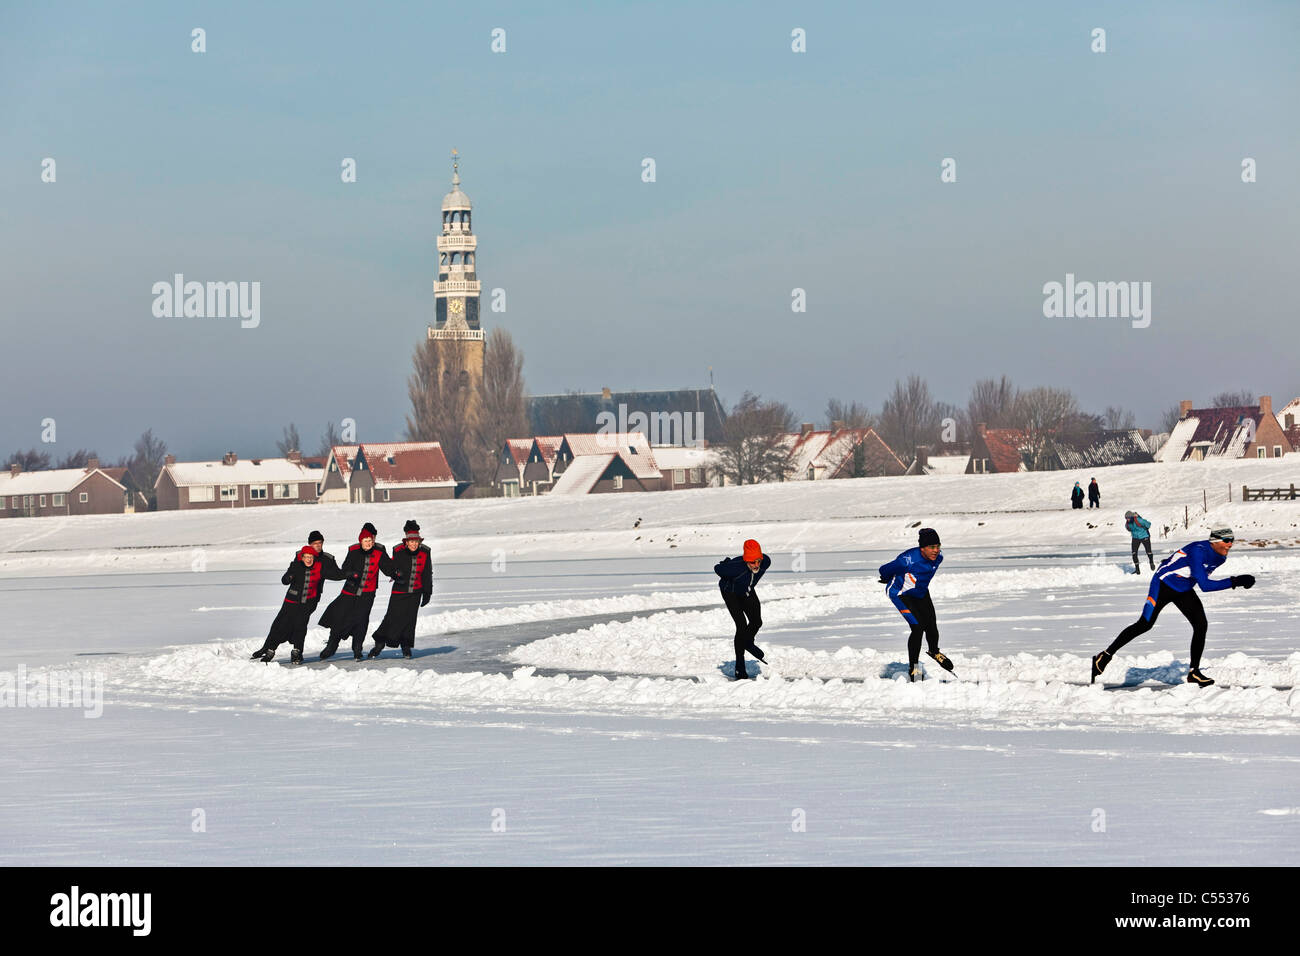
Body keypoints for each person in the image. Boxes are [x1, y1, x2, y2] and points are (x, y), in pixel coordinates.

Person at [1091, 527, 1254, 687]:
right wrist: (1235, 581)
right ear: (1214, 541)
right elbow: (1204, 585)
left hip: (1183, 588)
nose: (1230, 544)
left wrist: (1235, 582)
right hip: (1163, 583)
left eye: (1232, 540)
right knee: (1144, 624)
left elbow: (1198, 577)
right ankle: (1105, 656)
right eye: (1226, 541)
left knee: (1201, 625)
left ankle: (1194, 672)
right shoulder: (1199, 550)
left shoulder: (1221, 557)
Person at [879, 527, 954, 682]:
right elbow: (884, 569)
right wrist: (886, 577)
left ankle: (934, 652)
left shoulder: (938, 558)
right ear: (922, 548)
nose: (936, 551)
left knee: (931, 625)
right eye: (932, 547)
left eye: (938, 546)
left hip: (920, 592)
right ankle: (915, 668)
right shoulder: (907, 560)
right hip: (901, 594)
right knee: (918, 627)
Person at [318, 523, 388, 661]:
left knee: (361, 622)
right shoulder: (353, 550)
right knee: (339, 618)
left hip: (367, 594)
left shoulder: (379, 550)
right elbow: (345, 568)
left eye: (372, 538)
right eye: (367, 539)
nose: (370, 541)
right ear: (361, 539)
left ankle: (357, 649)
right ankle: (331, 646)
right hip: (349, 592)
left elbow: (388, 567)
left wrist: (397, 574)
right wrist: (350, 573)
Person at [250, 546, 327, 665]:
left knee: (300, 628)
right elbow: (284, 579)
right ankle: (270, 650)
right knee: (281, 625)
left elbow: (335, 574)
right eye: (306, 557)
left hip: (306, 604)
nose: (308, 559)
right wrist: (288, 578)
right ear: (302, 558)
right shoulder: (295, 565)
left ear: (313, 558)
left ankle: (297, 652)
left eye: (310, 557)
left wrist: (348, 574)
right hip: (290, 603)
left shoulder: (319, 567)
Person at [368, 520, 433, 660]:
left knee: (410, 620)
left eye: (416, 541)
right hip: (399, 591)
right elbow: (391, 567)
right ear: (406, 541)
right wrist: (395, 574)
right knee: (391, 618)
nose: (414, 544)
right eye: (411, 541)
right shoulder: (398, 550)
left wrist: (427, 592)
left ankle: (406, 647)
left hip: (416, 592)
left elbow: (427, 573)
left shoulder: (426, 552)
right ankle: (379, 643)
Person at [714, 539, 771, 680]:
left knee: (757, 622)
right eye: (752, 562)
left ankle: (747, 643)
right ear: (746, 561)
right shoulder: (736, 568)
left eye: (758, 560)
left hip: (747, 591)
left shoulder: (766, 562)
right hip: (730, 593)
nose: (756, 565)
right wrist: (726, 563)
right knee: (741, 626)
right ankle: (740, 668)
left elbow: (760, 562)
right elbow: (717, 568)